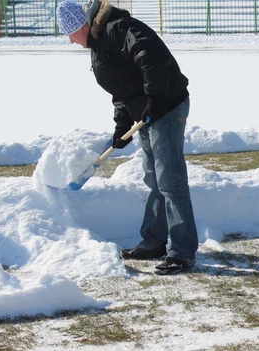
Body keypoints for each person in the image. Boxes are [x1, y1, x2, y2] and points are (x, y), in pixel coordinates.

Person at [56, 0, 198, 275]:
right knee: (154, 178)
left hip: (166, 107)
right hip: (146, 113)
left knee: (170, 179)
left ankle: (182, 252)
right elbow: (122, 87)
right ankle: (155, 240)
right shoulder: (98, 44)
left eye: (71, 34)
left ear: (81, 26)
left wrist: (155, 99)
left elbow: (151, 55)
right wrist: (121, 125)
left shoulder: (118, 29)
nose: (72, 41)